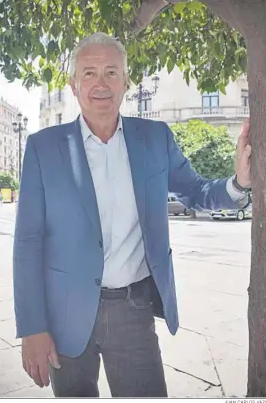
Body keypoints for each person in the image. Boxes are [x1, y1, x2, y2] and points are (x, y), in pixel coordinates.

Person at [13, 32, 252, 398]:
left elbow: (196, 191)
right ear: (73, 85)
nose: (101, 83)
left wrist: (238, 183)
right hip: (65, 314)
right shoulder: (43, 148)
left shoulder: (155, 138)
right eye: (89, 73)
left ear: (126, 81)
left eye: (112, 72)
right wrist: (32, 326)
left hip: (134, 310)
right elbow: (28, 241)